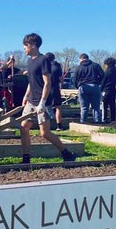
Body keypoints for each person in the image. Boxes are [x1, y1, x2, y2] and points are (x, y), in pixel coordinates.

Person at [17, 33, 77, 165]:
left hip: (42, 102)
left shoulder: (43, 60)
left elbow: (47, 82)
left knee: (44, 133)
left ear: (33, 45)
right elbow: (31, 82)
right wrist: (26, 96)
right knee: (23, 128)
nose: (23, 48)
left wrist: (43, 103)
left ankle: (67, 153)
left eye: (25, 45)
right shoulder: (29, 61)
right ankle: (26, 159)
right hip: (32, 100)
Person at [72, 53, 104, 124]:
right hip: (94, 86)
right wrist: (98, 82)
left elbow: (74, 80)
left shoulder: (78, 67)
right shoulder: (96, 65)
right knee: (96, 107)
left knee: (84, 107)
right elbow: (102, 75)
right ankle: (97, 121)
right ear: (87, 58)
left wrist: (78, 86)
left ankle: (83, 122)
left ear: (81, 59)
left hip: (83, 87)